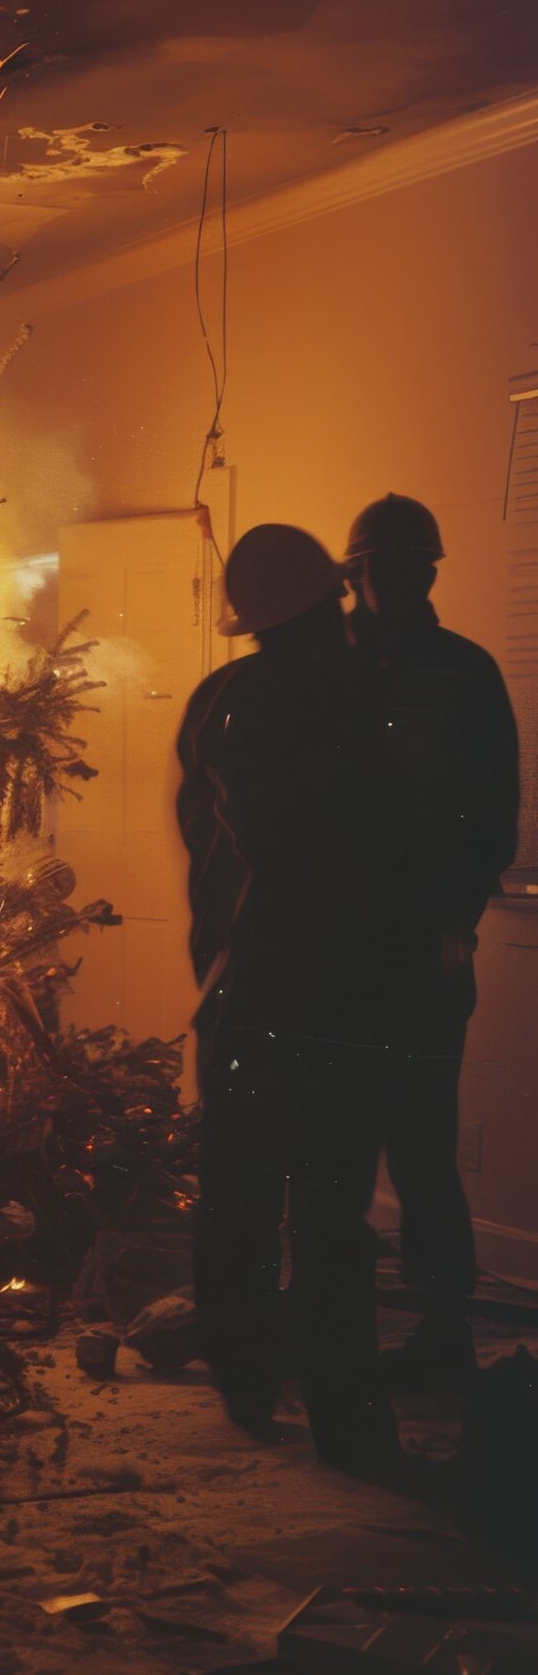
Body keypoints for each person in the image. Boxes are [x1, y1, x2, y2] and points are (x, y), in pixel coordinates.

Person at [177, 524, 407, 1471]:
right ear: (325, 606)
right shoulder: (356, 699)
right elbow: (391, 852)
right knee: (330, 1211)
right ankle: (346, 1423)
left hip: (243, 990)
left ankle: (243, 1380)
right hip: (339, 1000)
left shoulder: (218, 702)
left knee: (236, 1193)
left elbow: (209, 856)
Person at [344, 495, 519, 1388]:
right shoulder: (325, 670)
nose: (397, 583)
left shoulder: (463, 672)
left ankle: (440, 1321)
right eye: (385, 567)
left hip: (418, 952)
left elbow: (492, 815)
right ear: (355, 574)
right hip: (339, 953)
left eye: (411, 567)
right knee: (338, 1146)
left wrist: (453, 920)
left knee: (418, 1145)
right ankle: (337, 1321)